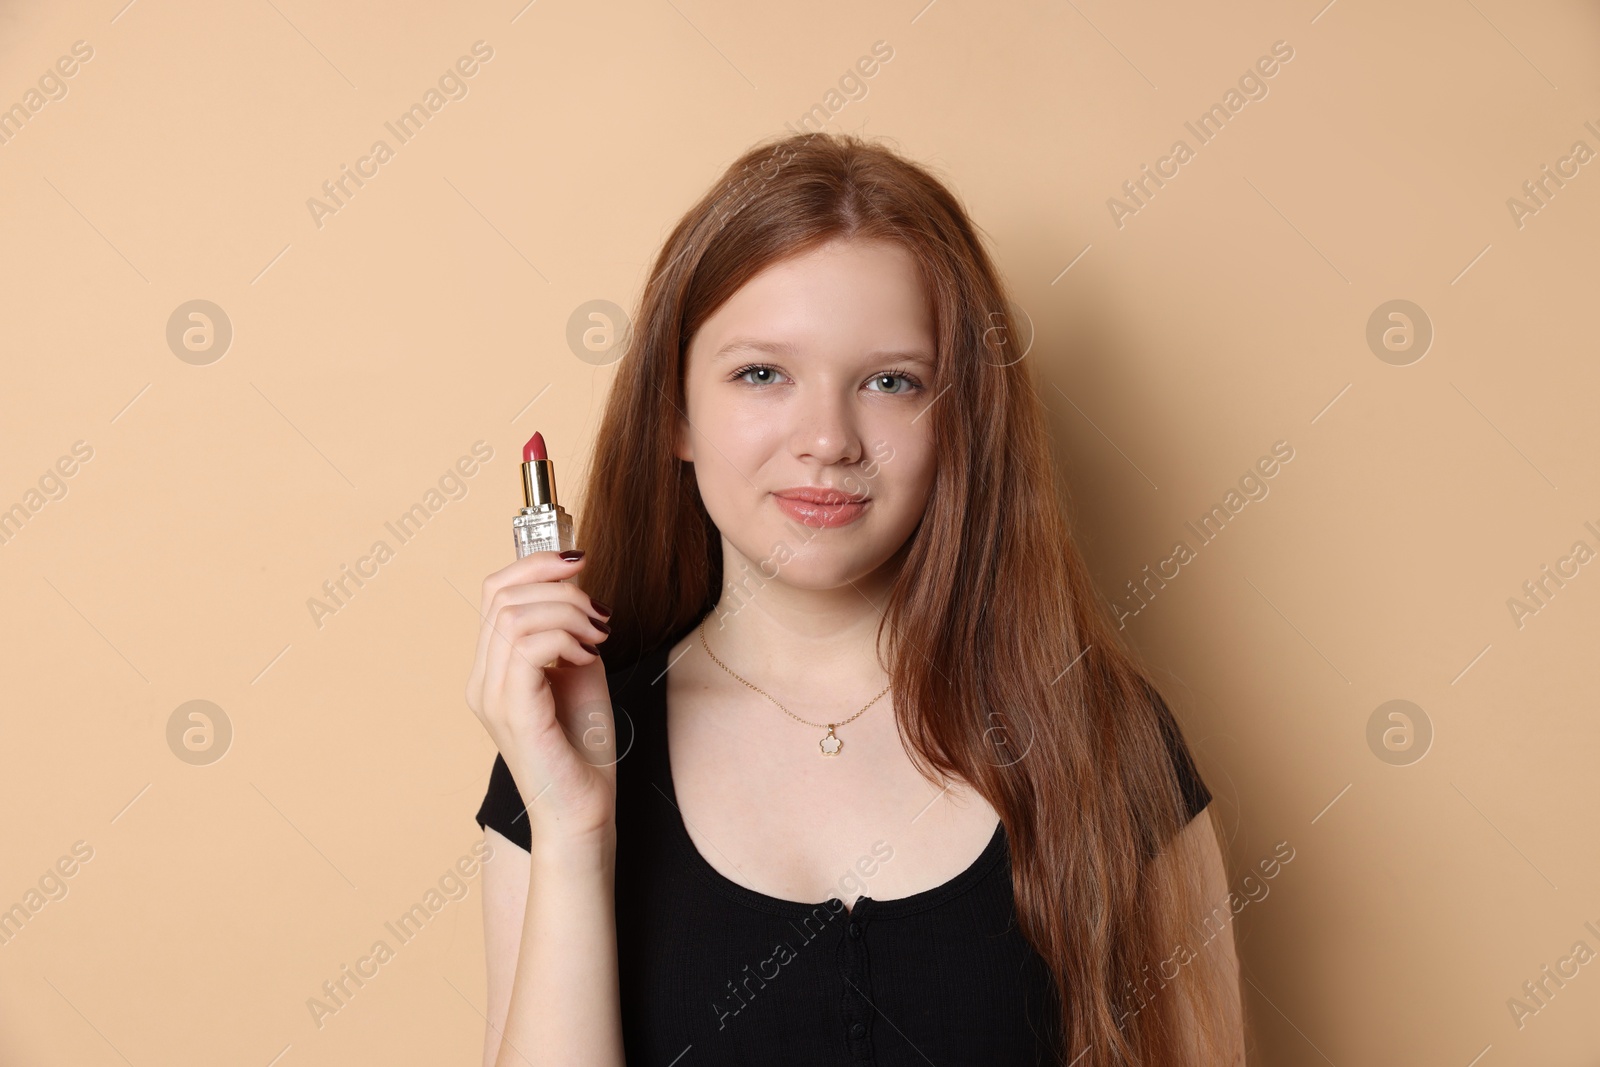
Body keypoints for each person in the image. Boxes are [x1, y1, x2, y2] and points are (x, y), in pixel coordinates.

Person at [466, 131, 1245, 1066]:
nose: (828, 439)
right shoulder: (563, 755)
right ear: (674, 410)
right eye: (763, 373)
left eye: (889, 381)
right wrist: (573, 828)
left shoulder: (1108, 742)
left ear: (958, 419)